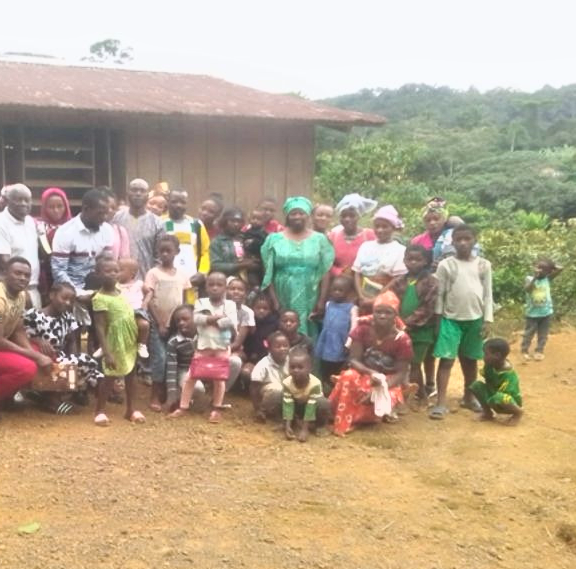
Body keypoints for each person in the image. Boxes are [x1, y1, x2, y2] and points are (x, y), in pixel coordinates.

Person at [431, 224, 493, 420]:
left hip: (474, 319)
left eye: (467, 238)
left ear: (475, 240)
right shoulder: (446, 265)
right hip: (450, 319)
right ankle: (441, 402)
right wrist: (438, 320)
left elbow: (488, 294)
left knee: (470, 360)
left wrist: (487, 319)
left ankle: (469, 396)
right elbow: (440, 295)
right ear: (453, 242)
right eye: (459, 239)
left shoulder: (484, 265)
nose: (463, 243)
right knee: (447, 359)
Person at [329, 293, 413, 436]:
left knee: (378, 398)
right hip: (364, 374)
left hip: (387, 381)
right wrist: (371, 373)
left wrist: (379, 388)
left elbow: (400, 373)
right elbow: (353, 360)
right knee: (348, 376)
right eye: (378, 312)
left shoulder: (402, 340)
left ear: (395, 316)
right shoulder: (362, 330)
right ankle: (341, 416)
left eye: (388, 312)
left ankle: (357, 418)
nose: (382, 316)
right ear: (372, 313)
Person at [23, 282, 103, 414]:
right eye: (64, 298)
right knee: (74, 366)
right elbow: (21, 337)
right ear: (52, 295)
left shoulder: (67, 317)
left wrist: (71, 363)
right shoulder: (34, 316)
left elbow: (72, 341)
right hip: (40, 360)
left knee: (86, 361)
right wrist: (38, 340)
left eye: (71, 300)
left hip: (58, 359)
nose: (67, 303)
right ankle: (51, 399)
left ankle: (64, 392)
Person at [261, 196, 334, 338]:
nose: (297, 217)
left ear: (308, 216)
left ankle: (306, 358)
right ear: (287, 216)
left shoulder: (320, 239)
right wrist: (274, 300)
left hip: (310, 292)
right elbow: (268, 272)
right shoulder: (274, 239)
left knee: (308, 324)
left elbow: (325, 271)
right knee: (284, 324)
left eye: (301, 213)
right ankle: (282, 358)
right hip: (283, 291)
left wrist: (321, 300)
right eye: (293, 213)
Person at [170, 272, 239, 422]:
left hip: (221, 347)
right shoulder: (201, 302)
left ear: (225, 288)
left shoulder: (231, 304)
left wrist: (209, 320)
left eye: (219, 285)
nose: (215, 288)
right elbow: (197, 319)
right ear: (206, 287)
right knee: (191, 377)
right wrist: (217, 319)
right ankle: (183, 407)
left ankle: (216, 409)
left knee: (219, 379)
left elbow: (231, 322)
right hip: (203, 347)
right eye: (211, 284)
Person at [92, 257, 145, 426]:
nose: (113, 274)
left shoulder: (119, 290)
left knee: (131, 374)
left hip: (129, 337)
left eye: (116, 271)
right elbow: (99, 327)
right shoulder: (99, 298)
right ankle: (99, 411)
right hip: (115, 341)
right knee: (109, 376)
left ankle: (131, 409)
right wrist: (107, 352)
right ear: (98, 274)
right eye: (108, 271)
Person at [143, 234, 192, 411]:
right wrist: (160, 323)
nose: (165, 254)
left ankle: (172, 393)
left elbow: (185, 303)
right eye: (161, 251)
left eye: (168, 251)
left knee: (174, 359)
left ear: (177, 252)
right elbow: (149, 301)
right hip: (158, 324)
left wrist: (184, 323)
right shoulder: (153, 274)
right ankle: (155, 395)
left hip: (177, 326)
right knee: (160, 358)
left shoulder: (182, 276)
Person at [0, 257, 52, 409]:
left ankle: (6, 398)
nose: (23, 278)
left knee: (47, 354)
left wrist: (36, 354)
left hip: (5, 344)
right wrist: (35, 356)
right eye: (17, 273)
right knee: (27, 368)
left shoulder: (21, 295)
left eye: (27, 275)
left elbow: (18, 330)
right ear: (4, 273)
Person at [389, 245, 438, 401]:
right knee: (401, 362)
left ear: (425, 261)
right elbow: (391, 301)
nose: (413, 263)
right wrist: (396, 323)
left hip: (421, 330)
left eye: (418, 259)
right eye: (410, 259)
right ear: (404, 260)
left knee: (415, 363)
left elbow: (427, 308)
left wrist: (406, 324)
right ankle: (401, 394)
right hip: (401, 328)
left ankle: (422, 395)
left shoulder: (431, 282)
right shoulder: (399, 281)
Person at [51, 189, 113, 295]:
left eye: (106, 214)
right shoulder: (65, 232)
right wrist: (78, 293)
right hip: (71, 293)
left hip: (100, 293)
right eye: (100, 214)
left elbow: (107, 264)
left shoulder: (107, 230)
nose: (104, 218)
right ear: (86, 209)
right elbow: (59, 271)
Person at [352, 205, 406, 312]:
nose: (380, 230)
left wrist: (376, 299)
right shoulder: (365, 246)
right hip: (362, 297)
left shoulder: (400, 250)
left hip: (385, 300)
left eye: (385, 226)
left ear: (393, 227)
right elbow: (357, 273)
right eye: (377, 226)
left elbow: (397, 279)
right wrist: (361, 296)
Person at [164, 188, 211, 304]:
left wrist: (202, 272)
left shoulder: (196, 224)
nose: (178, 205)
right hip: (167, 280)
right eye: (174, 202)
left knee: (189, 315)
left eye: (182, 202)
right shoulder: (160, 223)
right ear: (168, 202)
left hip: (192, 281)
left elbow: (206, 251)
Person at [113, 178, 164, 279]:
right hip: (120, 280)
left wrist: (153, 280)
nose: (138, 193)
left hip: (146, 279)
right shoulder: (116, 218)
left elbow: (159, 256)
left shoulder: (157, 223)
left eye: (142, 191)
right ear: (128, 193)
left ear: (147, 195)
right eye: (134, 190)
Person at [0, 184, 41, 307]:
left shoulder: (31, 221)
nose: (24, 203)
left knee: (34, 326)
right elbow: (4, 260)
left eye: (27, 200)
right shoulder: (2, 223)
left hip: (34, 287)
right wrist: (22, 288)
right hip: (13, 291)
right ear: (7, 201)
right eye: (19, 199)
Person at [314, 276, 358, 391]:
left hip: (340, 341)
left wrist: (348, 343)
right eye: (334, 289)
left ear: (348, 293)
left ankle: (336, 388)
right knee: (324, 364)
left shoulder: (352, 308)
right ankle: (324, 386)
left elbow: (354, 327)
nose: (336, 293)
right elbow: (326, 319)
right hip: (326, 340)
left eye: (340, 290)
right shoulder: (328, 304)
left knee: (338, 365)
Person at [469, 338, 523, 425]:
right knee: (476, 386)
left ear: (497, 355)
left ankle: (518, 412)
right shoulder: (490, 365)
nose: (483, 357)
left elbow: (508, 393)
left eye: (486, 354)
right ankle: (487, 413)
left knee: (499, 397)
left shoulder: (509, 374)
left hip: (508, 400)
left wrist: (492, 399)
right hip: (494, 394)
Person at [282, 348, 331, 442]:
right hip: (298, 406)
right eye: (292, 367)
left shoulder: (315, 384)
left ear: (310, 368)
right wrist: (287, 426)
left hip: (313, 408)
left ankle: (320, 425)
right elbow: (288, 404)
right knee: (278, 397)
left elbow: (311, 406)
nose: (296, 370)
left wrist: (305, 430)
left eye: (300, 367)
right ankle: (290, 424)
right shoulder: (287, 383)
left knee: (323, 403)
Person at [164, 304, 204, 413]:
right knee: (198, 388)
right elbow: (171, 370)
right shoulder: (174, 342)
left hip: (205, 367)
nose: (181, 322)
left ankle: (216, 399)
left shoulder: (205, 334)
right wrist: (171, 395)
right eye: (178, 321)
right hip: (185, 370)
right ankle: (185, 397)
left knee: (233, 362)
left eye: (185, 319)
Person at [521, 258, 562, 362]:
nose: (539, 270)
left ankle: (539, 351)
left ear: (548, 271)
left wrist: (552, 266)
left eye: (543, 269)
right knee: (529, 333)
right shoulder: (529, 278)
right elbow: (527, 289)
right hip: (532, 313)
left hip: (546, 312)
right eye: (538, 267)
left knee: (543, 334)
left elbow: (561, 268)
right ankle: (524, 350)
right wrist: (535, 277)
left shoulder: (547, 279)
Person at [328, 193, 377, 278]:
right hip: (338, 283)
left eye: (352, 216)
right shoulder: (333, 236)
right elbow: (327, 262)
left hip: (363, 282)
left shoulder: (370, 235)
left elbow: (377, 259)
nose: (347, 219)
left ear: (358, 217)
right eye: (344, 216)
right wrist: (339, 272)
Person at [36, 187, 72, 298]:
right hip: (44, 277)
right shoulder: (38, 226)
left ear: (66, 206)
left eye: (60, 206)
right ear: (44, 208)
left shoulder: (73, 226)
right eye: (51, 207)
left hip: (70, 275)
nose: (56, 210)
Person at [250, 331, 291, 422]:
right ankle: (265, 411)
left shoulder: (292, 361)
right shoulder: (263, 364)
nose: (282, 349)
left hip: (288, 395)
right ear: (269, 349)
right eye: (278, 346)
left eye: (285, 346)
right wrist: (257, 409)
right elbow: (254, 387)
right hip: (270, 395)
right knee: (277, 389)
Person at [210, 207, 259, 280]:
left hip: (247, 282)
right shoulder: (217, 242)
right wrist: (240, 266)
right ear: (224, 222)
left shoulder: (245, 238)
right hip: (226, 281)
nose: (236, 224)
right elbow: (215, 265)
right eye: (232, 221)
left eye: (239, 221)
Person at [117, 257, 150, 358]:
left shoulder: (139, 284)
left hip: (136, 311)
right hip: (120, 312)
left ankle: (142, 344)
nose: (117, 273)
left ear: (132, 273)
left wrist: (145, 303)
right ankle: (103, 347)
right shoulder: (116, 285)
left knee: (144, 325)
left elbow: (149, 292)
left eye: (120, 270)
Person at [243, 292, 280, 367]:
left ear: (270, 310)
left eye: (265, 309)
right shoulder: (248, 321)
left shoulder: (275, 323)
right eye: (258, 308)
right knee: (246, 372)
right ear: (252, 309)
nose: (261, 311)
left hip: (268, 359)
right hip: (250, 357)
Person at [241, 209, 268, 289]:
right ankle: (254, 290)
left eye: (258, 219)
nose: (255, 221)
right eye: (253, 218)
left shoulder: (263, 233)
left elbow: (264, 243)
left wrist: (253, 242)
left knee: (263, 279)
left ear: (263, 221)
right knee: (252, 279)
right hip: (249, 260)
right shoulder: (247, 232)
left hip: (261, 261)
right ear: (249, 219)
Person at [101, 188, 130, 261]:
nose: (110, 210)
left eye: (113, 208)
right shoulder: (86, 229)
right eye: (106, 206)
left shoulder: (120, 231)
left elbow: (124, 259)